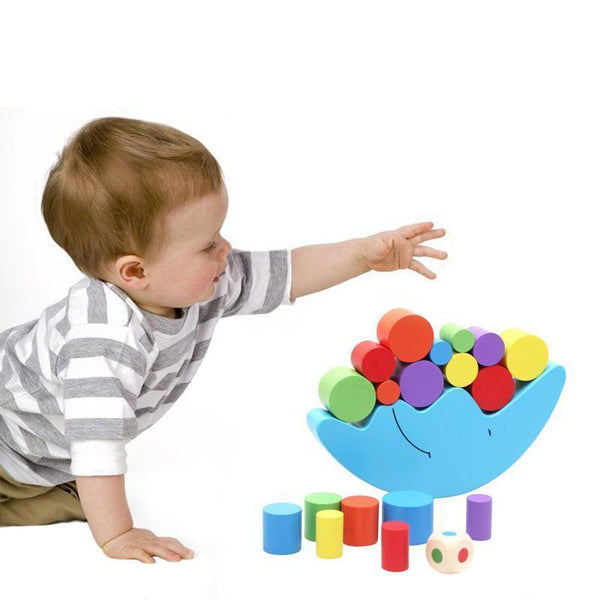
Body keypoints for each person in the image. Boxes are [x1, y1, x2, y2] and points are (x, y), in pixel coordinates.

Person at [0, 117, 447, 563]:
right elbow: (97, 448)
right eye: (207, 244)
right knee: (91, 494)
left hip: (42, 456)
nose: (226, 249)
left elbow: (289, 272)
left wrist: (363, 255)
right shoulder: (103, 340)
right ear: (135, 271)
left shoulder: (198, 282)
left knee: (79, 498)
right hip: (7, 448)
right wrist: (118, 535)